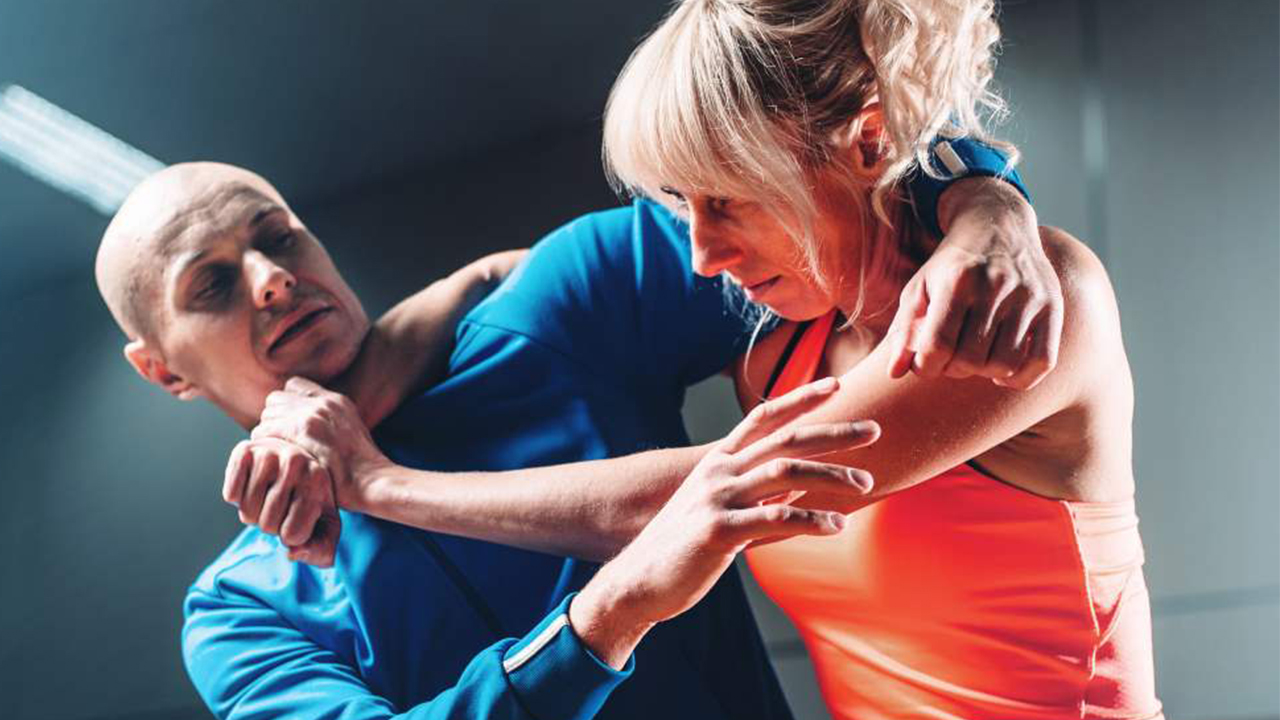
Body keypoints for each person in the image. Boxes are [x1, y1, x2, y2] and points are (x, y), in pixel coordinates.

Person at [243, 0, 1161, 718]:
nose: (700, 253)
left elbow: (672, 507)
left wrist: (375, 483)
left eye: (726, 201)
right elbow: (515, 285)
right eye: (681, 203)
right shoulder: (774, 342)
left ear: (868, 143)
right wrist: (979, 194)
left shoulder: (1017, 309)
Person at [94, 162, 882, 720]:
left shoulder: (550, 309)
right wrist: (600, 622)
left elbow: (851, 203)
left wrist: (982, 197)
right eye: (212, 285)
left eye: (281, 237)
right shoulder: (240, 610)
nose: (271, 278)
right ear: (163, 371)